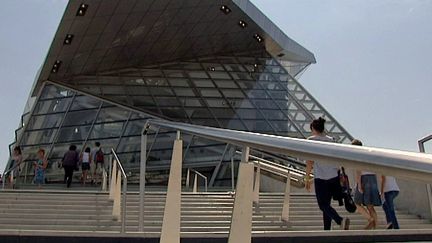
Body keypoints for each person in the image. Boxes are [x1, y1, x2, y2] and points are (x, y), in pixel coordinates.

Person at [305, 117, 350, 230]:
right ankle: (327, 230)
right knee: (327, 205)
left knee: (323, 205)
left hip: (321, 178)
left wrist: (307, 178)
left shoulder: (311, 140)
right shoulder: (332, 140)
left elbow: (310, 161)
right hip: (333, 177)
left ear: (314, 129)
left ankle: (340, 220)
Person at [352, 139, 382, 230]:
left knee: (356, 202)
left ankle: (370, 219)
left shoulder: (357, 155)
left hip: (364, 179)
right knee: (370, 206)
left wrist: (359, 185)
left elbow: (358, 170)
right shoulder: (368, 154)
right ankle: (375, 228)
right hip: (372, 178)